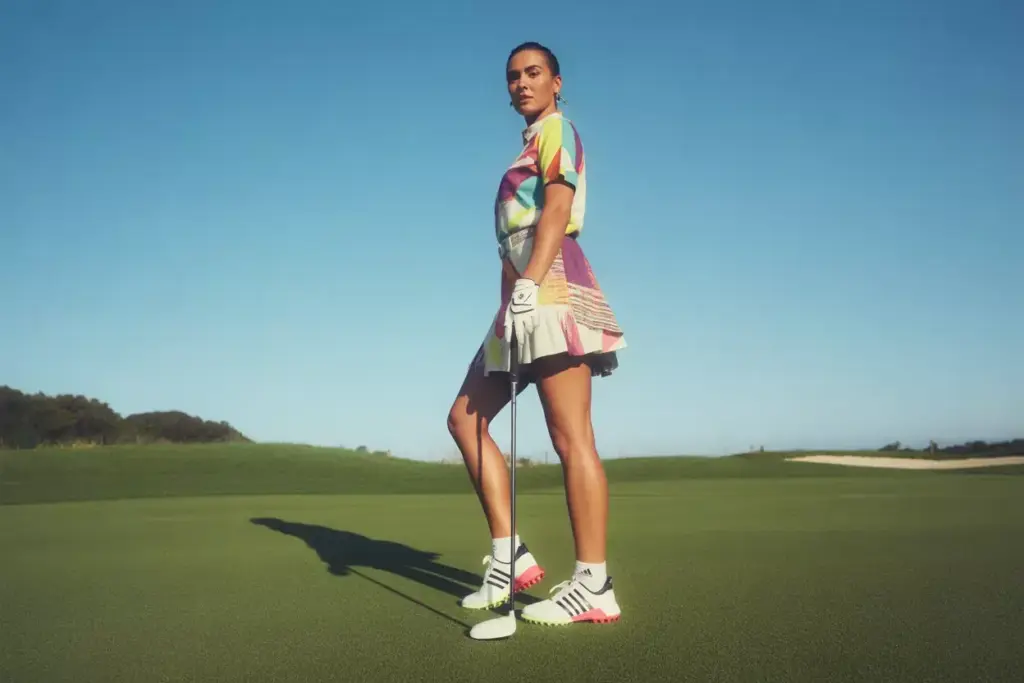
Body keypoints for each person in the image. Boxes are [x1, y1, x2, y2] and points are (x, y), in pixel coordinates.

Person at [446, 41, 627, 626]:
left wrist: (528, 284)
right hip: (518, 293)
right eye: (512, 77)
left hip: (546, 282)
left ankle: (593, 583)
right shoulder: (524, 146)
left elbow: (556, 208)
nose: (521, 84)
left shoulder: (558, 130)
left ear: (556, 81)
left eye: (533, 73)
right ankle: (508, 556)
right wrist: (512, 295)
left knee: (570, 435)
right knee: (464, 419)